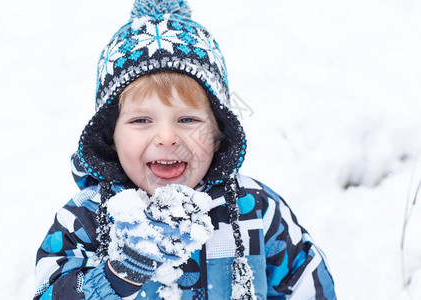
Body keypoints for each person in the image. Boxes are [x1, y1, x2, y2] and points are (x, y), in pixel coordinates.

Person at [34, 0, 336, 299]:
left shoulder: (256, 211)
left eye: (187, 119)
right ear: (110, 136)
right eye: (141, 120)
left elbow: (308, 287)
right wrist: (117, 274)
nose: (167, 137)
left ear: (218, 133)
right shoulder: (83, 220)